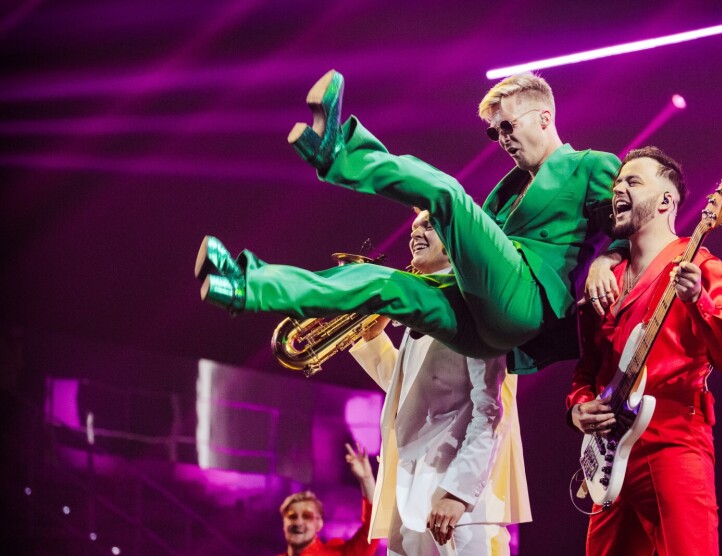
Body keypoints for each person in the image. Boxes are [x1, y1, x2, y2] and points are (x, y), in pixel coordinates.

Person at [195, 70, 620, 373]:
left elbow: (631, 229)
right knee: (381, 284)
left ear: (545, 118)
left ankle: (339, 156)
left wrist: (605, 260)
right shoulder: (507, 190)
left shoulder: (590, 166)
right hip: (478, 324)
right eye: (494, 133)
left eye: (508, 126)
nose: (503, 139)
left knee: (447, 195)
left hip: (527, 303)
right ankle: (245, 287)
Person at [566, 147, 722, 556]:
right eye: (617, 184)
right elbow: (587, 371)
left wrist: (699, 303)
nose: (619, 189)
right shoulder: (603, 280)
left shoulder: (700, 264)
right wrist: (578, 407)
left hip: (675, 441)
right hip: (612, 454)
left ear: (667, 201)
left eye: (634, 182)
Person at [349, 209, 530, 556]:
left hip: (461, 490)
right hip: (410, 487)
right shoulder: (422, 303)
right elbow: (414, 393)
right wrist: (372, 338)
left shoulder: (478, 301)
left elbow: (492, 408)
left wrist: (460, 492)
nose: (415, 231)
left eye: (428, 225)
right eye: (413, 226)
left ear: (454, 235)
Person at [231, 443, 380, 556]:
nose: (299, 522)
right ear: (284, 523)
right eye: (292, 516)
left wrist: (367, 479)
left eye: (307, 516)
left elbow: (372, 529)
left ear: (319, 524)